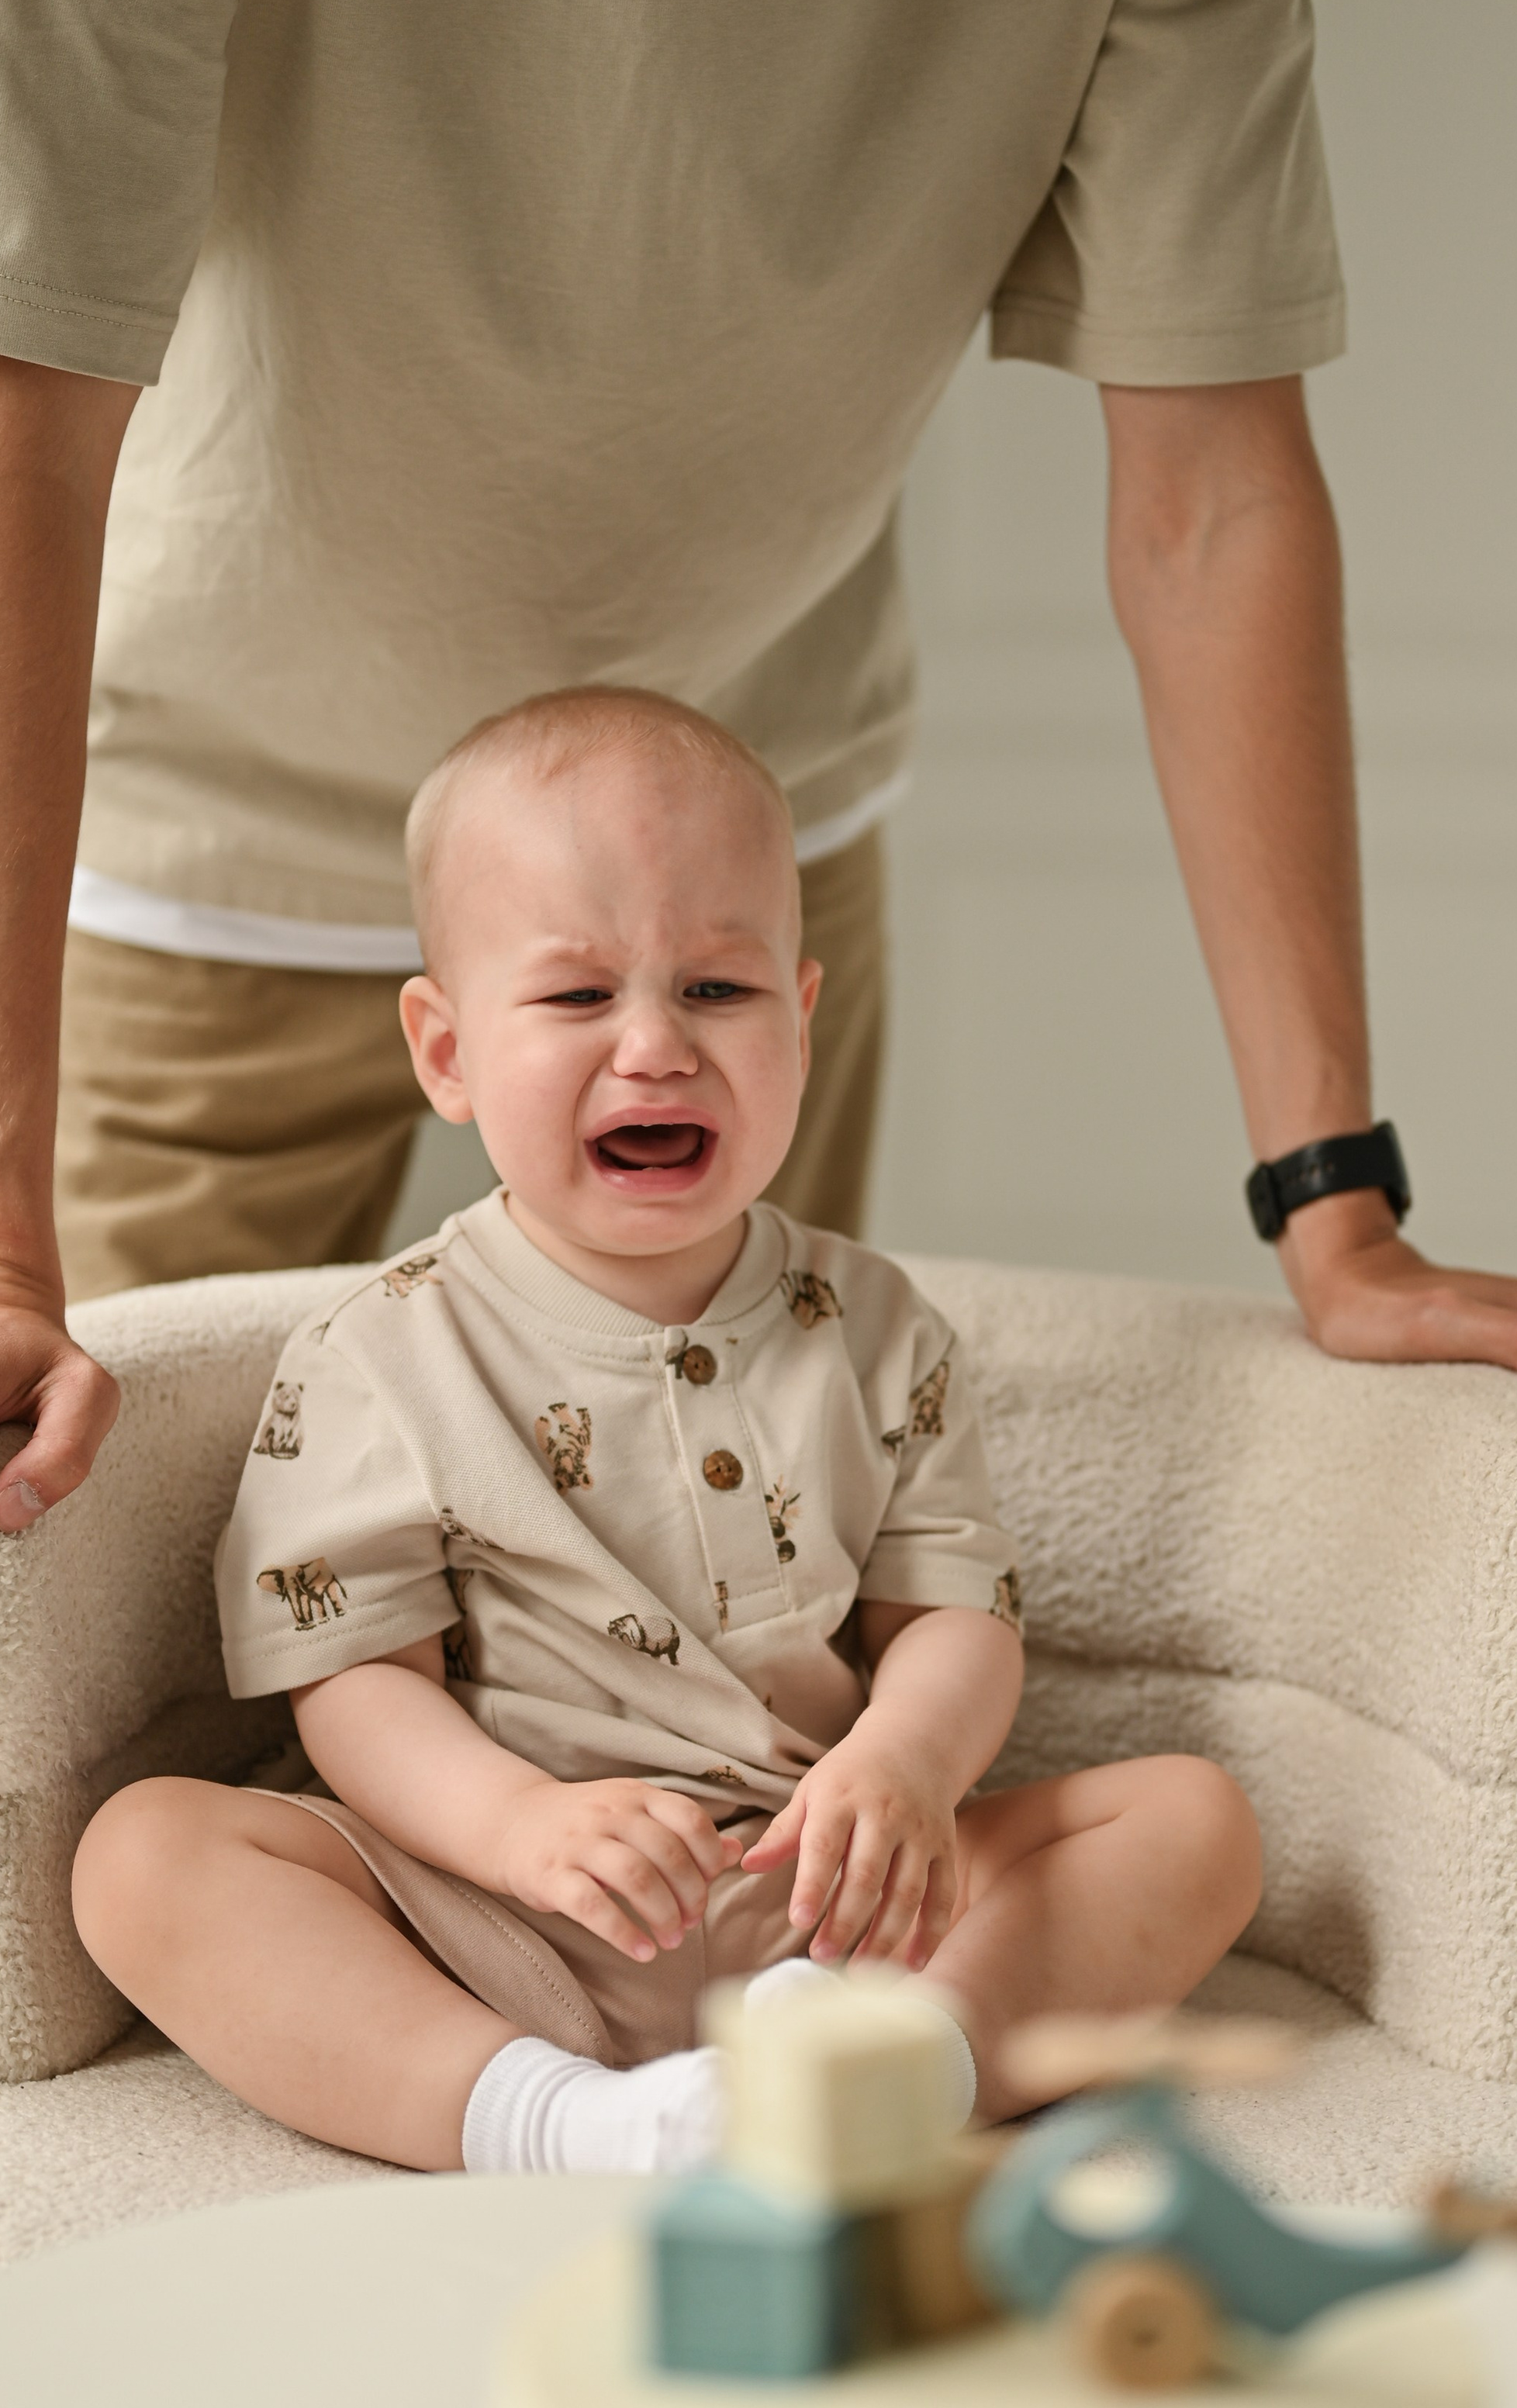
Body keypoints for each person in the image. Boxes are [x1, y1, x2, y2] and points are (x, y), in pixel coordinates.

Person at [0, 0, 1517, 1670]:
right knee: (135, 1656)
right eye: (573, 1015)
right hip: (209, 833)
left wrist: (1334, 1203)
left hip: (741, 836)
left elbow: (1212, 497)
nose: (631, 1054)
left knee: (747, 1610)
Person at [68, 690, 1263, 2172]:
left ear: (803, 1019)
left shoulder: (876, 1325)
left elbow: (953, 1612)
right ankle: (551, 2121)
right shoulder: (384, 1351)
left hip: (823, 1896)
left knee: (1191, 1819)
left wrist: (903, 1764)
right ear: (445, 1050)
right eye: (576, 999)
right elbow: (354, 1683)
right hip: (503, 1913)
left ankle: (901, 2077)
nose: (654, 1048)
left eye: (718, 992)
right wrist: (515, 1832)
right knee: (147, 1857)